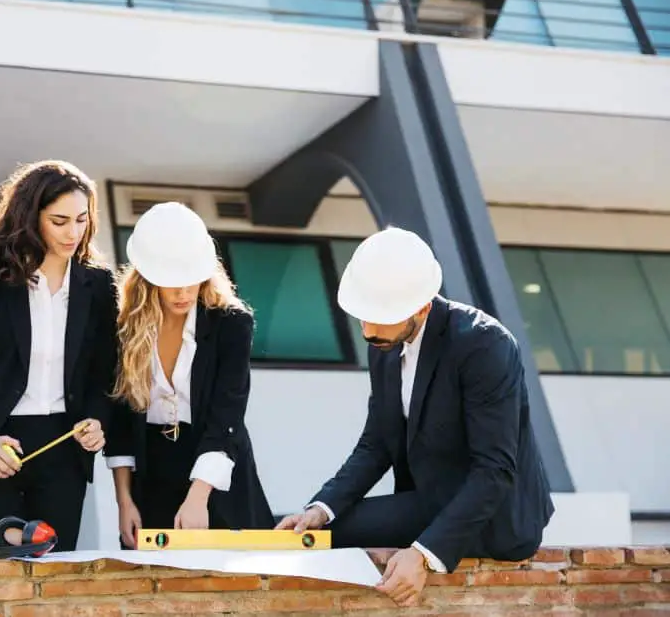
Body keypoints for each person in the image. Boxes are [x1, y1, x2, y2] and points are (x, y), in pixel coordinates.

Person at [276, 226, 554, 607]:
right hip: (429, 499)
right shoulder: (383, 345)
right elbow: (376, 444)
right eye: (363, 316)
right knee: (311, 535)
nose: (368, 330)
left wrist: (423, 554)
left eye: (379, 317)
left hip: (496, 518)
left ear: (422, 306)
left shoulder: (485, 345)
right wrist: (321, 508)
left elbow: (494, 470)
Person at [0, 160, 118, 552]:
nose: (74, 233)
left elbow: (104, 375)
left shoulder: (98, 285)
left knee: (52, 578)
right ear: (31, 217)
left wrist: (98, 420)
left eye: (82, 220)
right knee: (1, 572)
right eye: (60, 220)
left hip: (64, 452)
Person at [103, 202, 275, 549]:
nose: (183, 292)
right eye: (171, 282)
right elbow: (120, 422)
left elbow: (227, 414)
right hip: (151, 474)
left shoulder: (232, 323)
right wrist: (124, 500)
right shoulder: (123, 328)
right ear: (148, 276)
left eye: (190, 279)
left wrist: (198, 496)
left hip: (216, 466)